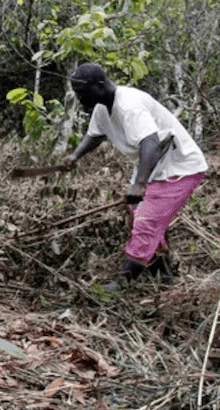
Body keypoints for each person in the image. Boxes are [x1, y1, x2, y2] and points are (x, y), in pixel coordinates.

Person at [61, 63, 208, 284]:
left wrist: (140, 184)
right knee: (137, 219)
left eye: (83, 93)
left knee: (146, 222)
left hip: (179, 167)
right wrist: (75, 156)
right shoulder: (102, 108)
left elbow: (151, 142)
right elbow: (95, 135)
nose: (80, 99)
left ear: (99, 86)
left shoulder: (129, 105)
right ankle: (164, 271)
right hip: (154, 168)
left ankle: (124, 282)